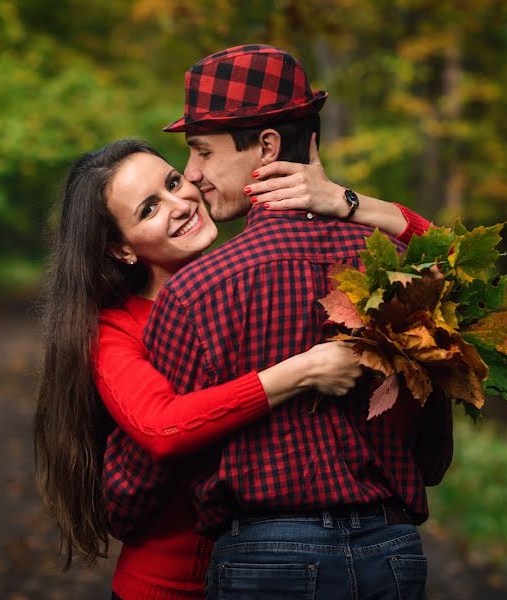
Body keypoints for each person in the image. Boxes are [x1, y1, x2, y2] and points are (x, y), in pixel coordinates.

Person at [122, 44, 454, 599]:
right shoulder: (401, 270)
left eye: (202, 152)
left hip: (264, 560)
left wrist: (127, 518)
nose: (193, 174)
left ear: (268, 146)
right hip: (391, 551)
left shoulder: (200, 291)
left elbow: (138, 482)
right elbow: (460, 280)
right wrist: (356, 205)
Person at [34, 139, 432, 598]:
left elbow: (447, 271)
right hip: (168, 586)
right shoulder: (113, 330)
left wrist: (346, 201)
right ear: (120, 250)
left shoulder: (252, 285)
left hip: (270, 575)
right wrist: (300, 372)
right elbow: (163, 428)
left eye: (173, 182)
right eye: (149, 210)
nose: (180, 204)